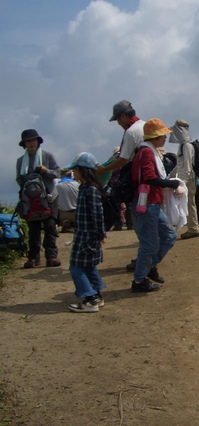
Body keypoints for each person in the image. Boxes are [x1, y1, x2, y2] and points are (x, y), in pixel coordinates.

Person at [131, 118, 181, 293]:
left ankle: (147, 268)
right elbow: (149, 177)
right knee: (150, 243)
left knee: (168, 236)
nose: (165, 138)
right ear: (155, 136)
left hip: (151, 202)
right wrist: (171, 184)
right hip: (146, 202)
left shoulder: (149, 151)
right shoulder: (146, 153)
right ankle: (139, 279)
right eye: (162, 135)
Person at [97, 100, 146, 270]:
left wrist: (104, 169)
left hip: (138, 182)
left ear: (123, 116)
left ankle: (145, 260)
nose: (118, 123)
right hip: (151, 180)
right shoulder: (145, 126)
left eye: (118, 120)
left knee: (141, 224)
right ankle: (147, 258)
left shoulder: (131, 132)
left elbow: (123, 159)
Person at [64, 153, 107, 313]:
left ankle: (90, 300)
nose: (73, 173)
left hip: (86, 237)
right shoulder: (84, 188)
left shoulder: (91, 190)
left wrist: (100, 233)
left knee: (76, 268)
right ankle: (96, 295)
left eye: (75, 169)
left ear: (83, 170)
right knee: (88, 267)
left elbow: (98, 213)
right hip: (83, 235)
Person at [15, 129, 61, 268]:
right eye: (28, 141)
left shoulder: (47, 156)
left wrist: (45, 171)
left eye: (33, 140)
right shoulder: (20, 161)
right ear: (24, 144)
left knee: (50, 227)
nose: (31, 143)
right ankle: (34, 257)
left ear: (38, 142)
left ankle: (51, 256)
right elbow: (19, 179)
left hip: (49, 199)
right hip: (30, 202)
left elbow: (57, 173)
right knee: (33, 230)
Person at [169, 119, 199, 239]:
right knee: (187, 204)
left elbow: (187, 166)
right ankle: (191, 227)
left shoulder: (186, 145)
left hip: (188, 179)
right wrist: (171, 175)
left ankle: (193, 229)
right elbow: (180, 164)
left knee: (189, 203)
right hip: (186, 179)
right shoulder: (184, 145)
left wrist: (183, 183)